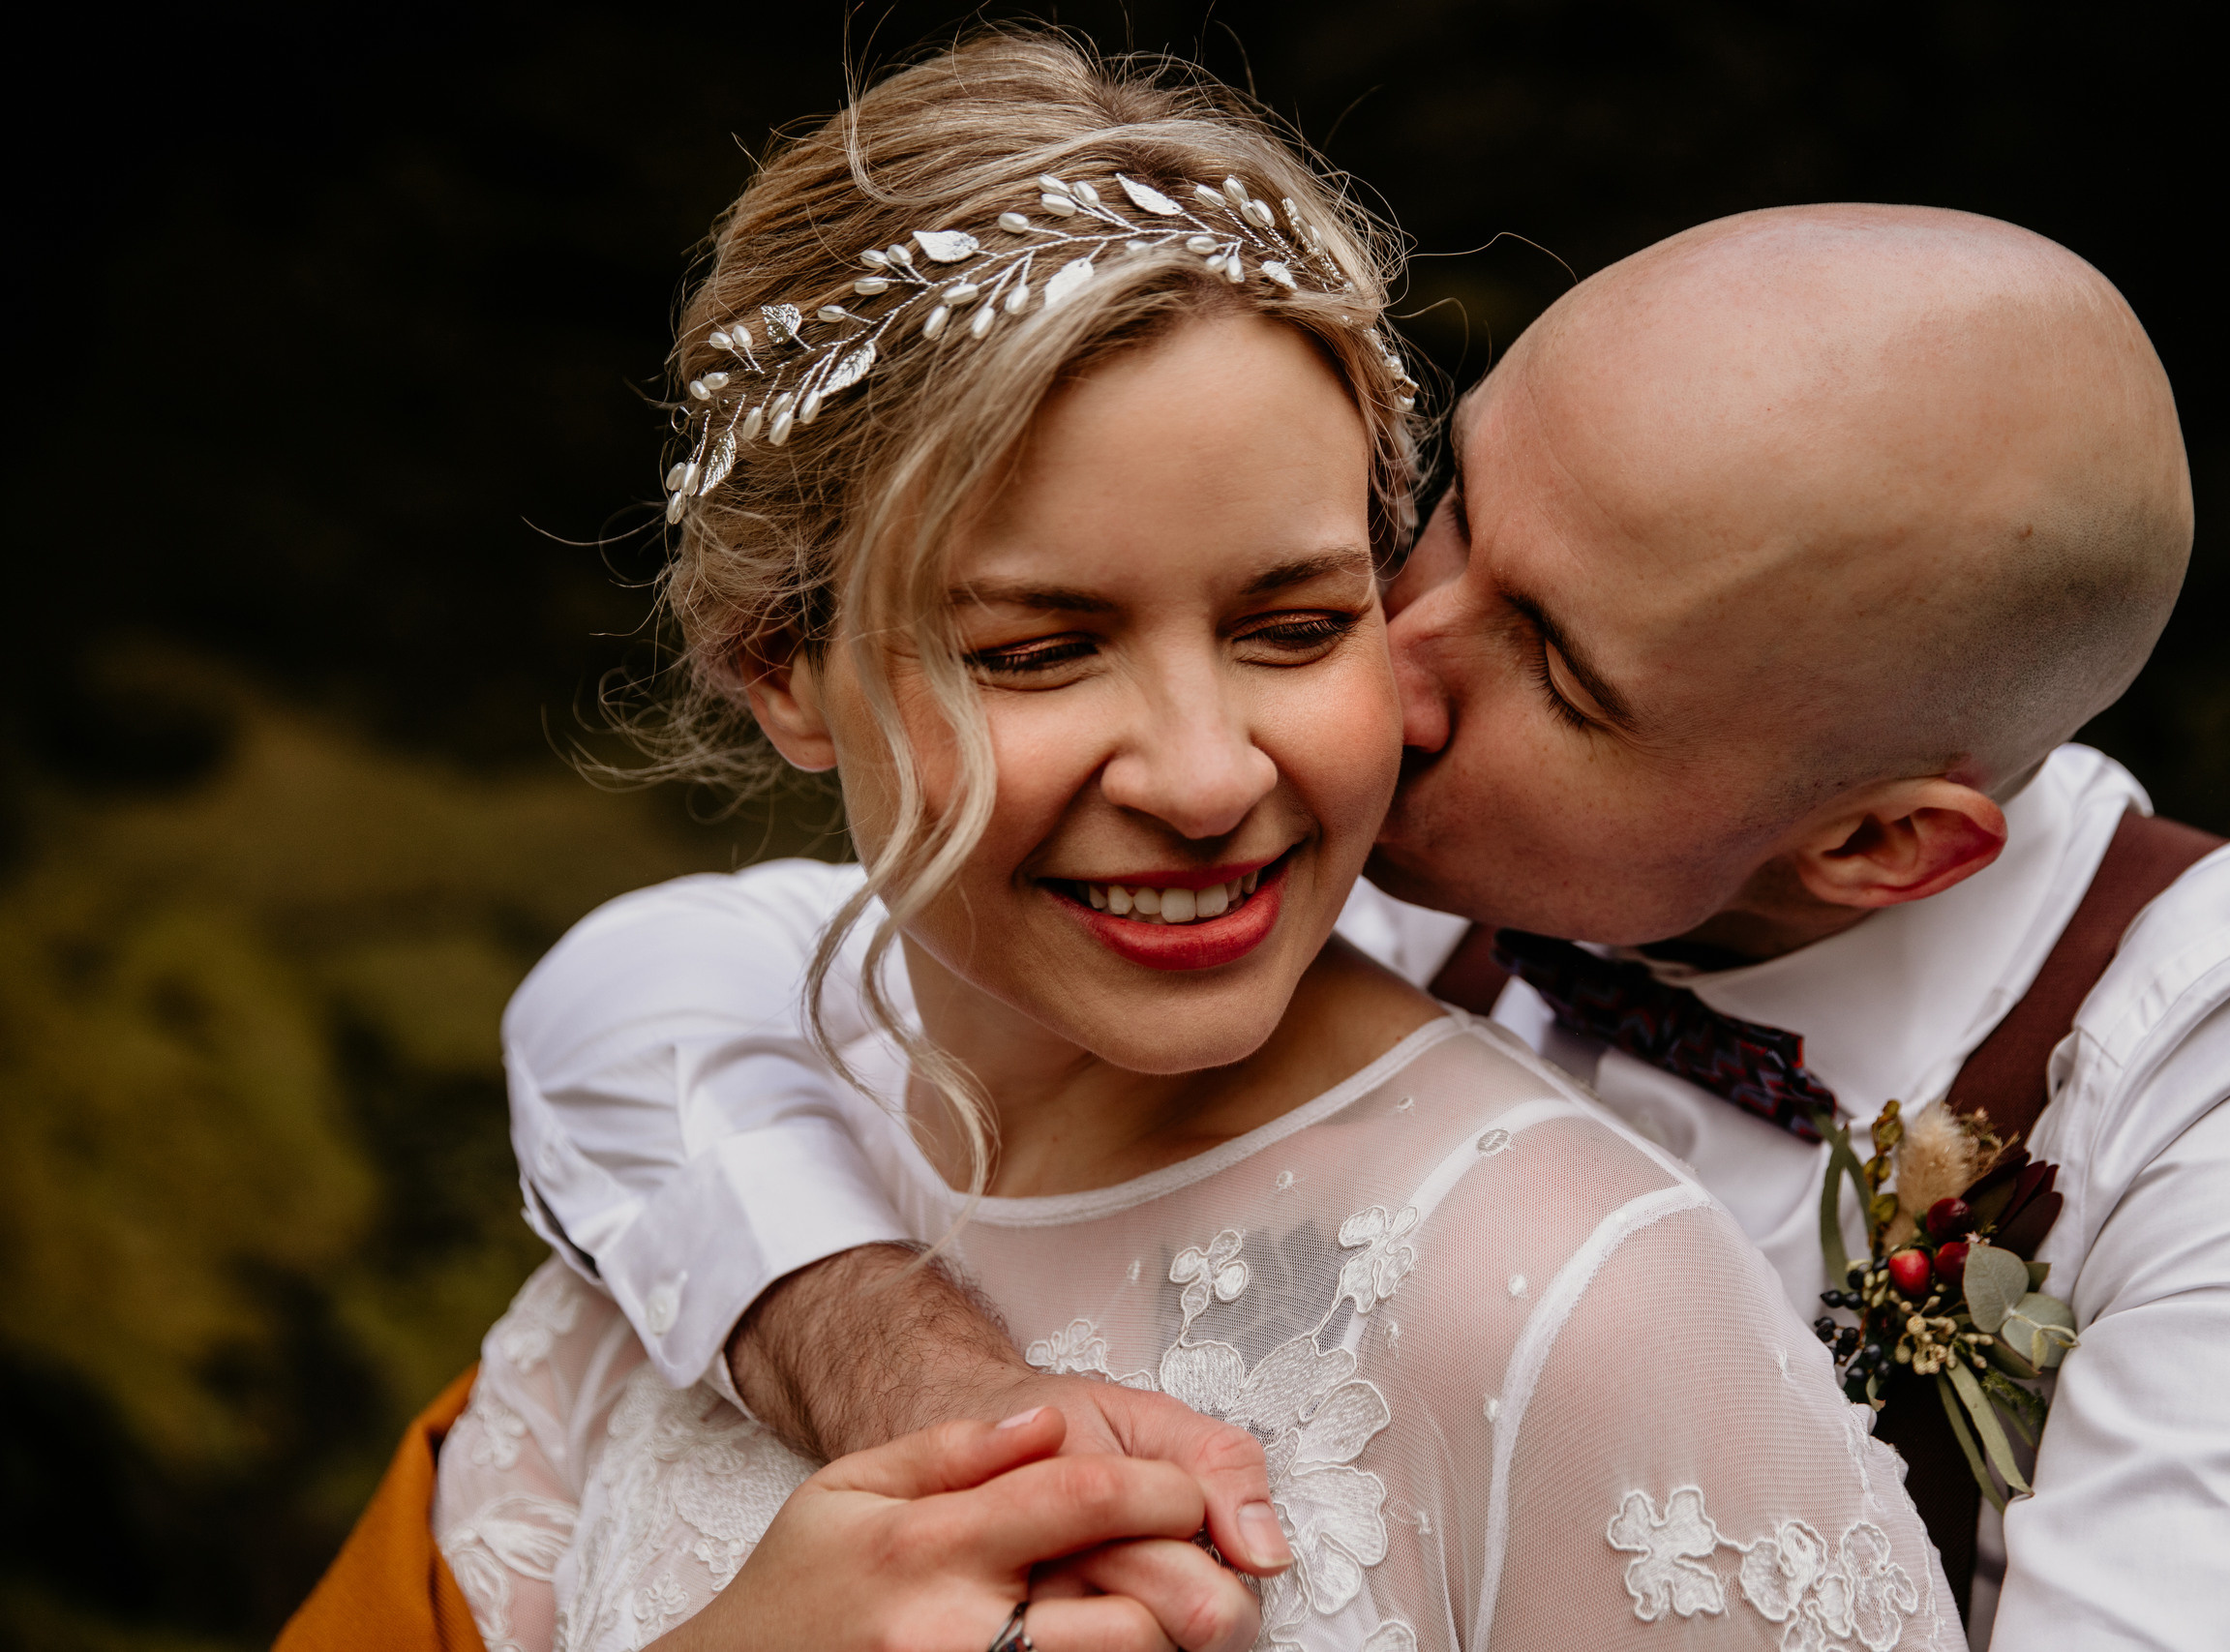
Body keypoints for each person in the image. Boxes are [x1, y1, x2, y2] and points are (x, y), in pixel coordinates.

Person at [488, 90, 2230, 1652]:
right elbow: (665, 983)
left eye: (1555, 667)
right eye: (1428, 530)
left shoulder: (2224, 1031)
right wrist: (868, 1336)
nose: (1370, 676)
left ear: (1870, 845)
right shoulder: (1308, 800)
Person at [396, 30, 1963, 1652]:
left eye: (1292, 626)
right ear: (783, 667)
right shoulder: (729, 1155)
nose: (1209, 779)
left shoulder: (1582, 1300)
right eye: (1034, 650)